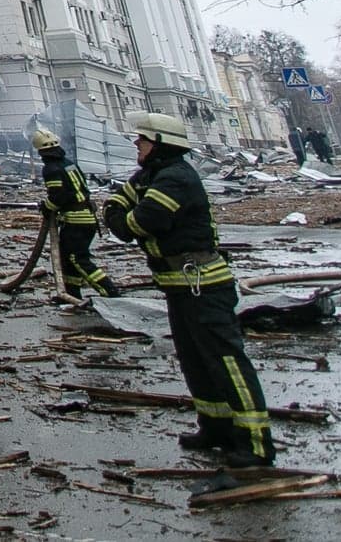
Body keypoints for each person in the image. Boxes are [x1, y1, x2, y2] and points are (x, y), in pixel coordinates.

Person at [103, 111, 273, 467]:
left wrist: (123, 220)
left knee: (225, 362)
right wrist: (120, 214)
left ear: (161, 144)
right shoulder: (151, 175)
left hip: (203, 287)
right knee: (195, 361)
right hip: (178, 287)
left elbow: (142, 222)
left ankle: (256, 443)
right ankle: (216, 427)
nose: (137, 144)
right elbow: (117, 202)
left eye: (143, 139)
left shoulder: (176, 178)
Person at [34, 125, 119, 299]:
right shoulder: (69, 163)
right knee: (67, 260)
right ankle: (72, 294)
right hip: (85, 217)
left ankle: (109, 291)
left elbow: (58, 196)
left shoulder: (51, 169)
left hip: (76, 221)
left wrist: (47, 207)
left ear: (40, 151)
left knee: (76, 258)